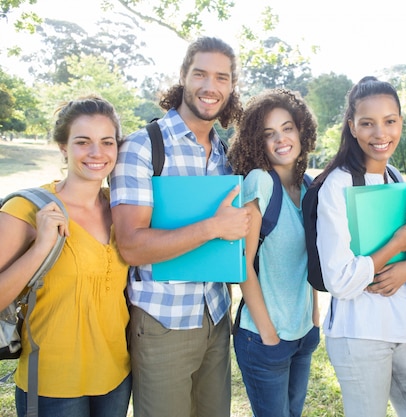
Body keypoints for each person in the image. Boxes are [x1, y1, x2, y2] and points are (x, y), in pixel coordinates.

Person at [109, 36, 251, 417]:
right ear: (183, 77)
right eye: (200, 74)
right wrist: (214, 227)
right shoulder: (143, 147)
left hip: (216, 315)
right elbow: (132, 247)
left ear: (231, 86)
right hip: (162, 321)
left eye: (222, 78)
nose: (211, 87)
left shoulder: (224, 153)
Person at [0, 95, 131, 417]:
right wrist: (42, 247)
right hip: (51, 383)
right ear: (63, 147)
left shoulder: (122, 209)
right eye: (82, 142)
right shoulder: (26, 209)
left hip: (116, 376)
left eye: (107, 142)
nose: (97, 153)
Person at [315, 76, 406, 417]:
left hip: (401, 325)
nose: (380, 134)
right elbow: (339, 281)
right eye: (367, 124)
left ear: (400, 122)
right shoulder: (337, 185)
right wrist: (395, 245)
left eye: (390, 122)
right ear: (352, 127)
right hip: (359, 333)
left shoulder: (396, 178)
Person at [227, 88, 320, 417]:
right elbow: (242, 264)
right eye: (269, 133)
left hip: (303, 335)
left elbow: (311, 261)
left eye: (287, 128)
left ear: (301, 130)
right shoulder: (259, 184)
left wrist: (314, 319)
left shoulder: (308, 186)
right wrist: (269, 333)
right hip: (265, 339)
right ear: (257, 141)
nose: (281, 139)